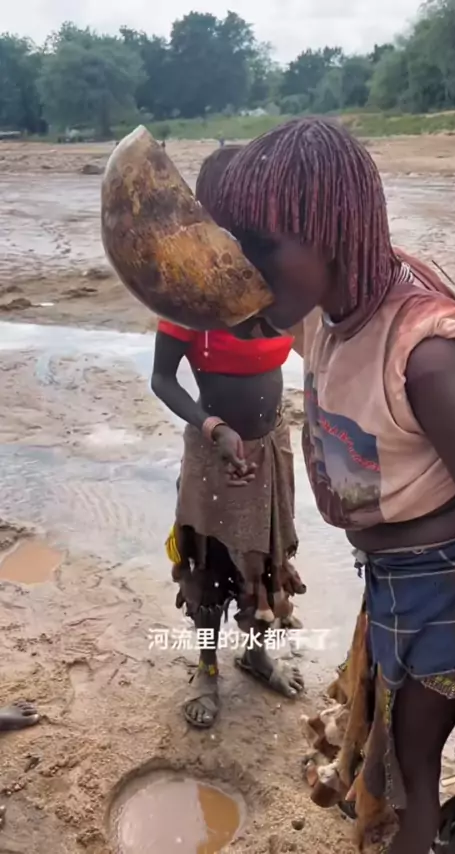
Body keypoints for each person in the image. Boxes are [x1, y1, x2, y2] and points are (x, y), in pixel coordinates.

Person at [214, 117, 455, 854]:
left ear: (331, 234)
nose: (245, 267)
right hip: (395, 575)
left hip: (447, 585)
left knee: (408, 766)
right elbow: (229, 312)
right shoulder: (330, 306)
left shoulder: (426, 358)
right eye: (237, 247)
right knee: (393, 748)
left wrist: (397, 545)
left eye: (261, 248)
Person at [152, 145, 305, 729]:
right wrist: (211, 426)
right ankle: (207, 670)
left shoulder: (278, 287)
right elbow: (163, 379)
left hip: (269, 446)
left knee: (266, 556)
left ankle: (257, 653)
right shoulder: (190, 291)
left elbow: (319, 351)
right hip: (212, 449)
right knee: (208, 564)